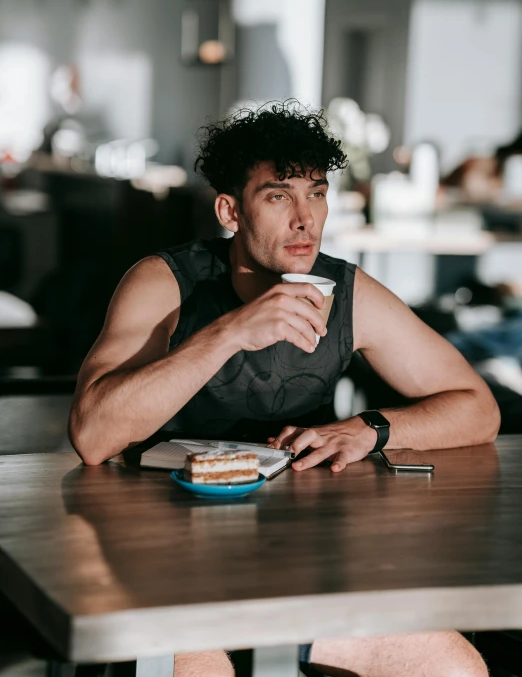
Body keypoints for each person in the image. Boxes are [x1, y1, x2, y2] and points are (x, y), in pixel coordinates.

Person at [69, 102, 498, 677]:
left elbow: (478, 407)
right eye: (278, 196)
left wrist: (369, 429)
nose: (305, 220)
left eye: (317, 193)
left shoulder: (346, 291)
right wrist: (227, 335)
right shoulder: (164, 283)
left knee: (454, 668)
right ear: (230, 210)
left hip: (303, 571)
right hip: (167, 572)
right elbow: (93, 436)